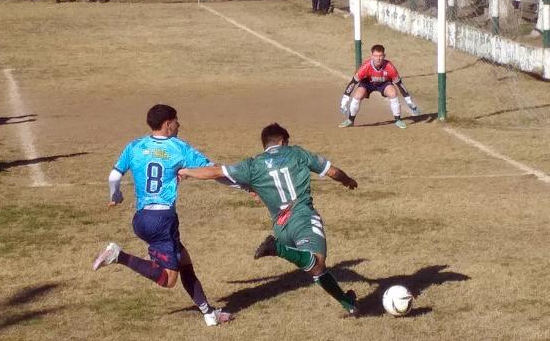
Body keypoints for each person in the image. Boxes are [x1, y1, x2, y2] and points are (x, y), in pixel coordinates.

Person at [177, 123, 360, 316]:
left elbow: (216, 172)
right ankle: (277, 249)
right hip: (302, 218)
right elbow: (333, 171)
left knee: (315, 269)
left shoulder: (253, 165)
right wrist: (347, 180)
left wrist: (186, 171)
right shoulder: (297, 153)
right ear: (283, 141)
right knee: (317, 263)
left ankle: (349, 304)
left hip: (280, 227)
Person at [92, 104, 233, 327]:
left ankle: (209, 314)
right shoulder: (178, 148)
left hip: (141, 219)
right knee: (168, 280)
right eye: (177, 121)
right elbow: (213, 170)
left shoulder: (135, 146)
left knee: (184, 261)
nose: (179, 125)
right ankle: (119, 256)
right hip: (162, 221)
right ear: (168, 124)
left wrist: (116, 195)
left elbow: (113, 176)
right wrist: (242, 186)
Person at [338, 44, 420, 129]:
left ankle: (398, 120)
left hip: (384, 84)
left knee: (393, 92)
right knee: (358, 95)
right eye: (376, 56)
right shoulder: (365, 67)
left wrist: (409, 101)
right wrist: (344, 101)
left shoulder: (390, 67)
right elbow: (352, 83)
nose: (378, 58)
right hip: (367, 84)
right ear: (372, 56)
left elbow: (400, 85)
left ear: (384, 56)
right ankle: (350, 120)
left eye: (380, 56)